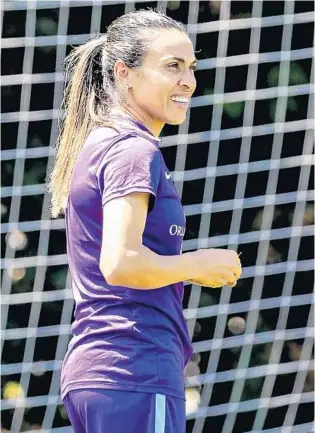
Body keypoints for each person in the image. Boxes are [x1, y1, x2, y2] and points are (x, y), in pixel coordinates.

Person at [48, 9, 242, 433]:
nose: (187, 81)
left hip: (103, 373)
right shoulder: (133, 150)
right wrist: (198, 264)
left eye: (191, 67)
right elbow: (121, 263)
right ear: (125, 73)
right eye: (171, 66)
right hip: (134, 369)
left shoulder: (102, 141)